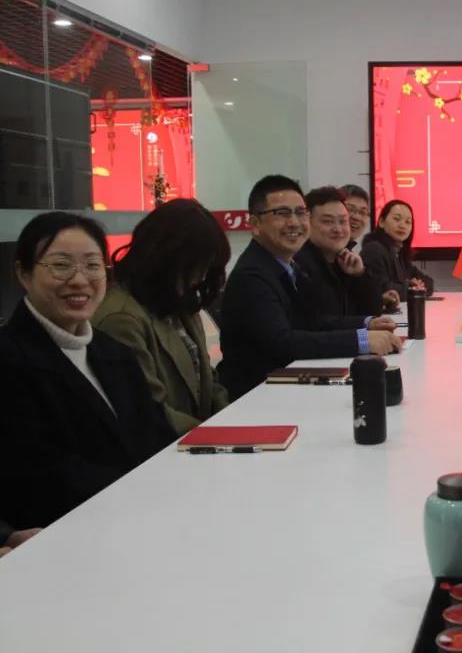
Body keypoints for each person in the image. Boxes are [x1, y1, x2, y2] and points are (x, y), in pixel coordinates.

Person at [0, 213, 174, 528]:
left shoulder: (112, 350)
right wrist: (143, 491)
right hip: (66, 531)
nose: (80, 280)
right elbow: (39, 471)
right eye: (61, 265)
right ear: (23, 273)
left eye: (93, 265)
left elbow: (154, 431)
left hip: (142, 515)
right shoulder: (9, 359)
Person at [219, 176, 401, 400]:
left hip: (290, 387)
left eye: (300, 212)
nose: (294, 222)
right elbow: (282, 343)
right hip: (257, 398)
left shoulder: (287, 265)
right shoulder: (252, 275)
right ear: (255, 224)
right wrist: (361, 341)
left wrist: (365, 325)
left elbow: (314, 322)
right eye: (282, 213)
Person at [93, 200, 232, 435]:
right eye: (195, 267)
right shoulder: (122, 319)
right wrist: (214, 435)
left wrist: (233, 420)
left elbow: (207, 380)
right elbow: (149, 409)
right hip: (164, 447)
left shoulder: (179, 304)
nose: (200, 277)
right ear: (164, 258)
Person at [295, 186, 385, 319]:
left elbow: (374, 311)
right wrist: (364, 323)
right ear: (306, 222)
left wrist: (360, 275)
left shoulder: (345, 260)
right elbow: (316, 322)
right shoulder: (299, 265)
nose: (338, 229)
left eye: (343, 221)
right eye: (328, 221)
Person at [361, 199, 435, 308]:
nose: (402, 225)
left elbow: (429, 282)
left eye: (408, 222)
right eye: (397, 219)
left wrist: (417, 286)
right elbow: (384, 290)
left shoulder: (399, 254)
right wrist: (412, 287)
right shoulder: (373, 249)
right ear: (381, 222)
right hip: (378, 316)